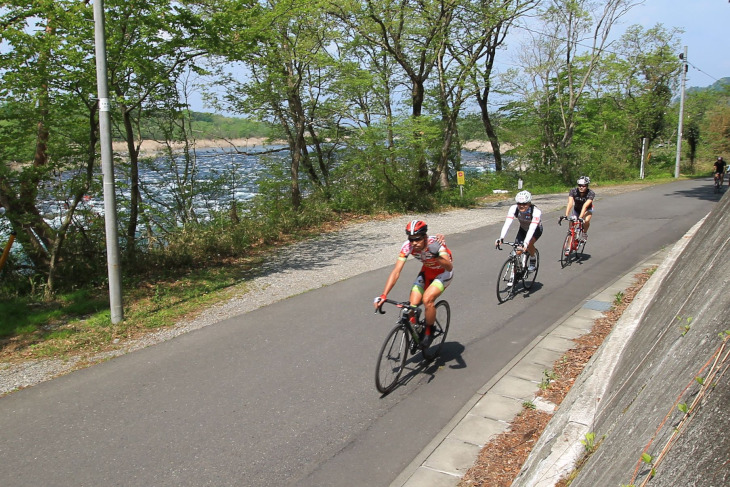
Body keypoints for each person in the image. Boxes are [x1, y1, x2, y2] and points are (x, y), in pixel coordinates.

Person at [374, 220, 454, 349]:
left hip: (443, 273)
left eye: (417, 239)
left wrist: (436, 256)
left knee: (427, 299)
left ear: (425, 237)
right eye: (411, 239)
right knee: (411, 306)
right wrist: (384, 294)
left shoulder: (436, 244)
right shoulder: (407, 246)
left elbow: (449, 267)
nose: (414, 243)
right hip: (427, 272)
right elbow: (396, 271)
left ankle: (429, 331)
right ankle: (416, 331)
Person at [495, 190, 542, 273]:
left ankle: (532, 257)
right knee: (517, 251)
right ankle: (515, 275)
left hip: (535, 230)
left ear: (529, 203)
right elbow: (507, 223)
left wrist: (526, 243)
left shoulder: (536, 212)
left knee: (529, 244)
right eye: (519, 203)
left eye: (524, 204)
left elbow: (532, 228)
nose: (521, 206)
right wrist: (501, 237)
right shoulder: (513, 208)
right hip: (523, 229)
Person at [564, 176, 595, 241]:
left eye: (583, 186)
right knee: (572, 223)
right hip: (577, 209)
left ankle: (584, 233)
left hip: (587, 210)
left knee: (586, 220)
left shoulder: (591, 193)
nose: (581, 187)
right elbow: (570, 203)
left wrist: (580, 217)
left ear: (587, 186)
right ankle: (570, 241)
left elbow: (585, 206)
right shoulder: (573, 191)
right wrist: (566, 215)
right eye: (580, 185)